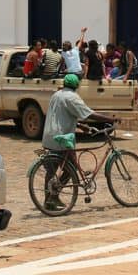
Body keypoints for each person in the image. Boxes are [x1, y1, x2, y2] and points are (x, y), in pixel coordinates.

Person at [41, 74, 116, 211]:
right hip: (62, 137)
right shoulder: (72, 97)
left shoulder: (57, 95)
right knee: (71, 169)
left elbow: (64, 115)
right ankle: (52, 197)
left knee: (51, 171)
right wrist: (110, 120)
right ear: (77, 85)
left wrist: (82, 126)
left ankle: (49, 199)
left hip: (49, 135)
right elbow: (89, 114)